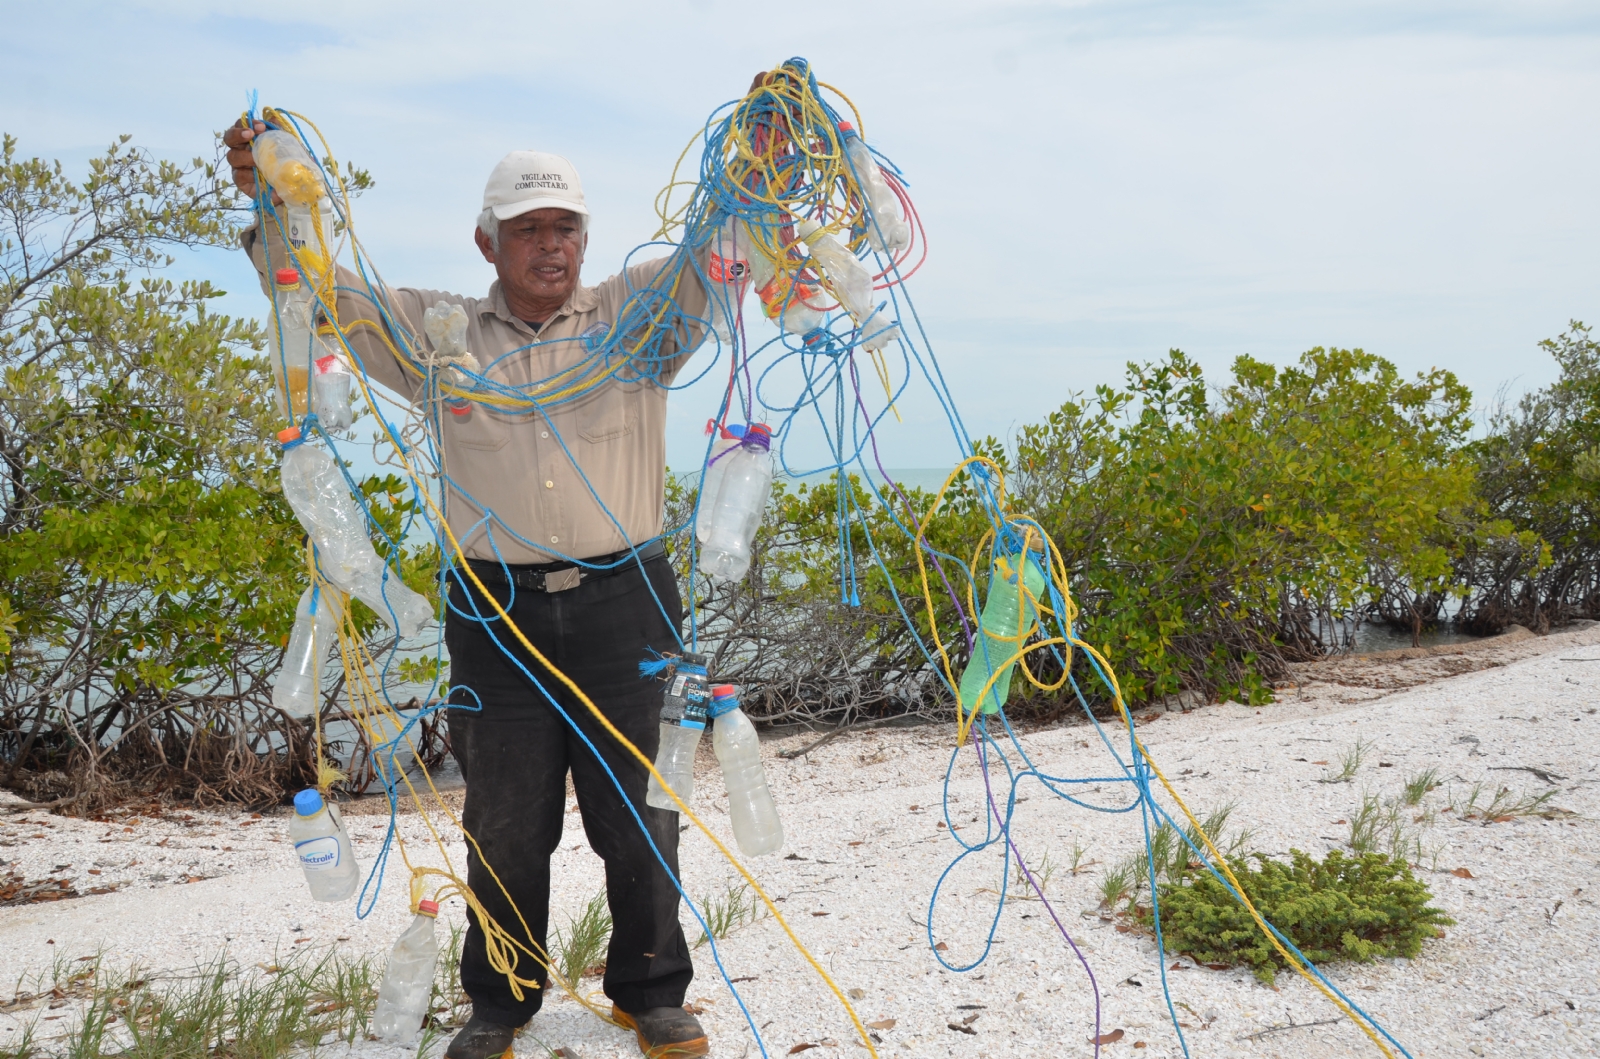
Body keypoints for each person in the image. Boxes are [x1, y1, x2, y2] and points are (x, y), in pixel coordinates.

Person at [225, 121, 714, 1059]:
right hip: (494, 610)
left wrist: (761, 164)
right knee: (503, 816)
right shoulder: (438, 334)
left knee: (642, 812)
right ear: (487, 241)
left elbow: (716, 252)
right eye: (528, 229)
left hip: (630, 599)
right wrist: (270, 207)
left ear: (586, 236)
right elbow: (329, 294)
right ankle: (500, 1000)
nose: (551, 246)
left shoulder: (639, 317)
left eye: (566, 227)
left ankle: (652, 991)